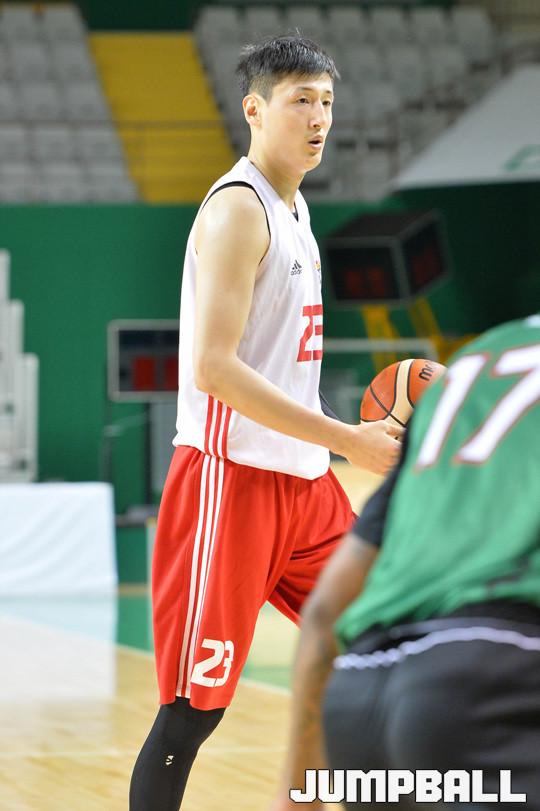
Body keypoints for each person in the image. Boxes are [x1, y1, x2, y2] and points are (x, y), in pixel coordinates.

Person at [129, 35, 402, 811]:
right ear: (254, 109)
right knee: (192, 712)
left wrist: (339, 445)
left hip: (306, 487)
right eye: (300, 101)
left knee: (378, 649)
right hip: (231, 484)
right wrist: (347, 440)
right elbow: (214, 369)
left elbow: (281, 367)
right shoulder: (238, 212)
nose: (318, 119)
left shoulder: (296, 208)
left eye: (327, 103)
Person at [272, 314, 540, 810]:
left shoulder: (478, 360)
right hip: (489, 677)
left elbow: (326, 610)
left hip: (360, 694)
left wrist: (297, 796)